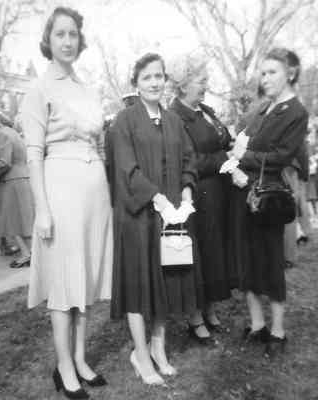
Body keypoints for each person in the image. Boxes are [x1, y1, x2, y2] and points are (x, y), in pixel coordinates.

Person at [20, 7, 112, 399]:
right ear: (48, 39)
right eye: (60, 34)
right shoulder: (39, 88)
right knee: (63, 281)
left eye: (73, 34)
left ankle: (80, 357)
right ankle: (63, 366)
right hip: (60, 191)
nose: (68, 41)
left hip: (95, 193)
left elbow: (100, 144)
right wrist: (42, 209)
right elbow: (33, 154)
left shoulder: (88, 89)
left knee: (84, 277)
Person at [107, 53, 200, 385]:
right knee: (138, 284)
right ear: (136, 82)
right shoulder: (124, 121)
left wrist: (186, 189)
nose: (154, 82)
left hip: (170, 215)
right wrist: (155, 197)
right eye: (147, 77)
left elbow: (189, 159)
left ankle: (158, 347)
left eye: (159, 76)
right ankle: (141, 355)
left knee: (165, 281)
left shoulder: (173, 120)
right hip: (138, 215)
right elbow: (125, 169)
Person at [228, 48, 309, 357]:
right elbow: (241, 140)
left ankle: (278, 330)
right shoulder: (263, 108)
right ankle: (257, 324)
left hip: (269, 196)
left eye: (272, 72)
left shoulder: (295, 112)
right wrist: (236, 164)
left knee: (271, 260)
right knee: (247, 259)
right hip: (244, 191)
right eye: (262, 73)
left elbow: (281, 156)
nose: (265, 78)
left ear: (290, 73)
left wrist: (244, 156)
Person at [168, 54, 233, 341]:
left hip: (218, 191)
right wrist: (224, 159)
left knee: (215, 252)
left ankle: (210, 308)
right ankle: (195, 317)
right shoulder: (175, 116)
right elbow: (189, 160)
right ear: (183, 84)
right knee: (199, 255)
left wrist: (232, 146)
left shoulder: (206, 110)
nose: (206, 85)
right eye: (201, 80)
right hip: (197, 194)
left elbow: (224, 138)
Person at [0, 113, 34, 268]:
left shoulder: (3, 135)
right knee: (24, 218)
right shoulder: (15, 134)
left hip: (10, 180)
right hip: (23, 177)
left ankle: (25, 254)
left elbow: (4, 162)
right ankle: (32, 252)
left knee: (10, 219)